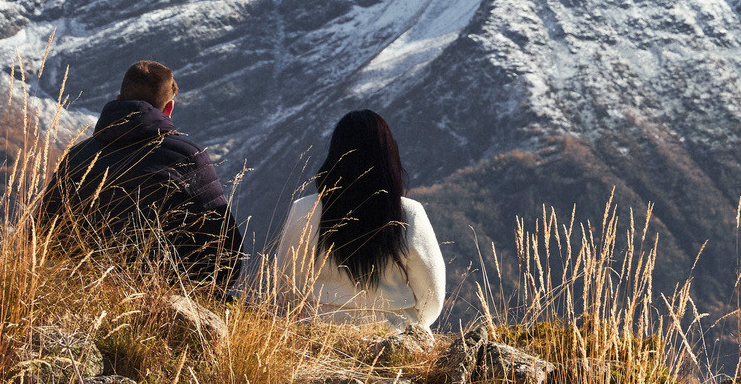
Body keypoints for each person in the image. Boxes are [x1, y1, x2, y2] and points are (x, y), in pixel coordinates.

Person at [38, 61, 243, 291]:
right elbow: (225, 245)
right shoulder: (187, 157)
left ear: (119, 100)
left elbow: (42, 231)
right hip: (163, 293)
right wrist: (203, 291)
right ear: (169, 108)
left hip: (76, 288)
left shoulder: (77, 156)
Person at [267, 110, 446, 333]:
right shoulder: (409, 213)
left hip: (316, 334)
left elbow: (286, 286)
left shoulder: (305, 209)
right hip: (396, 335)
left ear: (335, 154)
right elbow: (432, 297)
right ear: (388, 155)